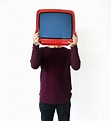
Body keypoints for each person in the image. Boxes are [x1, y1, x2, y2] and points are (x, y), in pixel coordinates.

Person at [30, 32, 81, 121]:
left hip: (63, 100)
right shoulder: (42, 51)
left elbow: (76, 66)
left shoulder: (67, 52)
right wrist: (35, 45)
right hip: (46, 99)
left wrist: (74, 46)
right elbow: (34, 65)